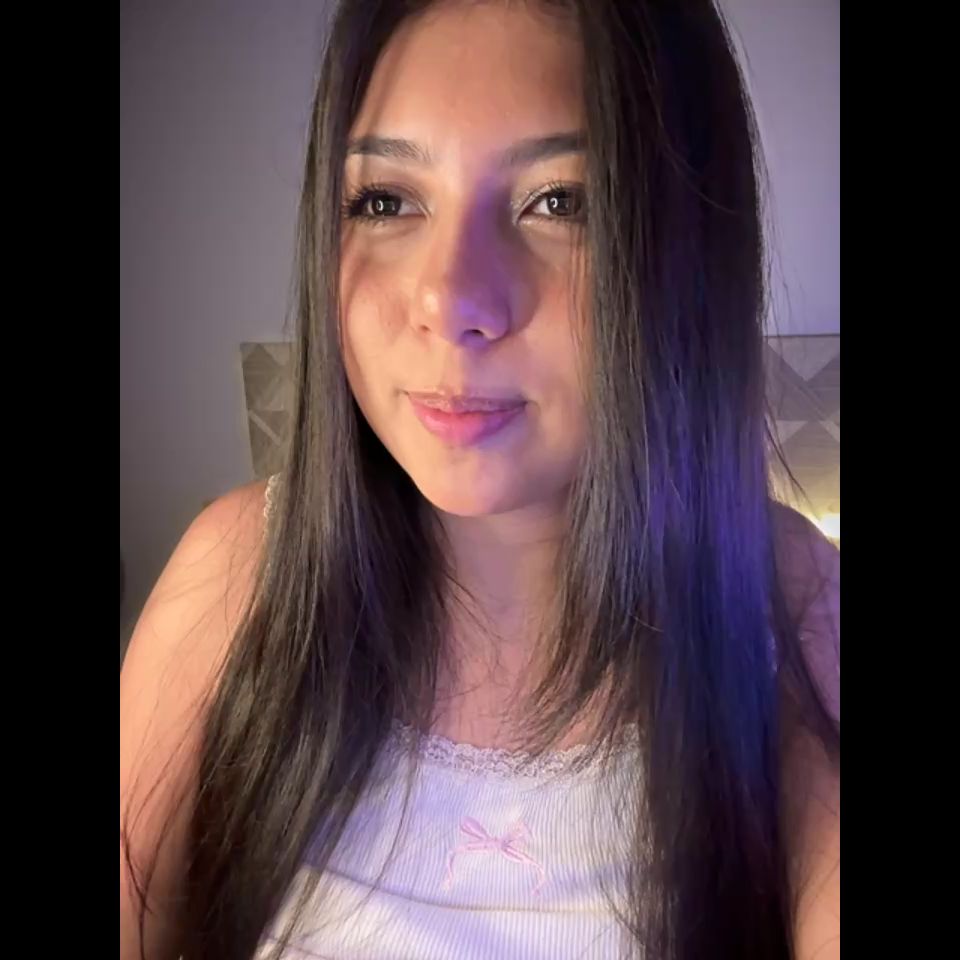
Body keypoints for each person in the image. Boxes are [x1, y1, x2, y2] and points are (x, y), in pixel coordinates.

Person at [120, 2, 840, 958]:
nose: (449, 298)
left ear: (685, 250)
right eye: (386, 201)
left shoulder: (787, 605)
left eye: (560, 202)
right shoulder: (235, 574)